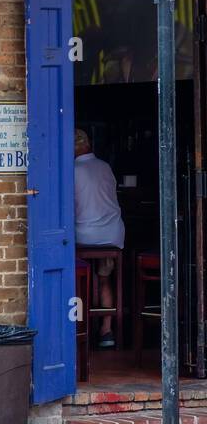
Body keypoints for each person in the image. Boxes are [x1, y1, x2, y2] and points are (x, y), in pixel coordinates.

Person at [74, 128, 125, 348]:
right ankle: (107, 330)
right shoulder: (105, 166)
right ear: (89, 144)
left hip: (84, 234)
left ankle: (79, 329)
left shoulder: (72, 170)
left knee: (76, 277)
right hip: (112, 234)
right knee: (104, 277)